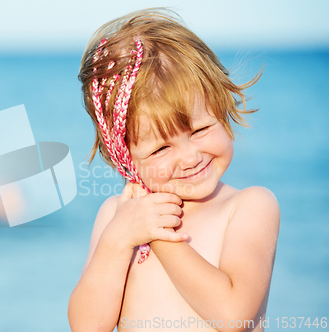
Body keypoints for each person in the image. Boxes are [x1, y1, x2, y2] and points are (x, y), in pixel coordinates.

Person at [68, 8, 280, 332]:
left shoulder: (250, 207)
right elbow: (87, 326)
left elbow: (233, 315)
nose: (190, 156)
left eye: (200, 130)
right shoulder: (117, 217)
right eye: (161, 149)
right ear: (125, 156)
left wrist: (159, 236)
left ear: (222, 108)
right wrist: (116, 241)